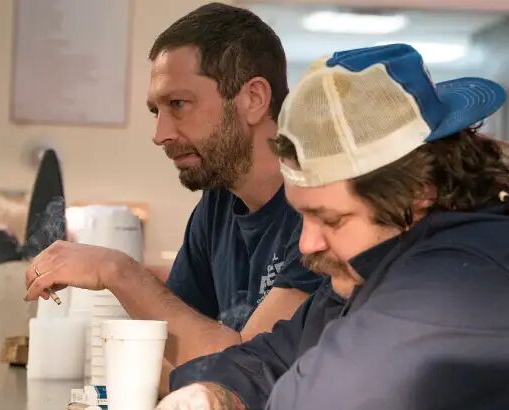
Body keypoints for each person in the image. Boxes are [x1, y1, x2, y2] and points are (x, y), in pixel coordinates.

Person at [147, 44, 509, 410]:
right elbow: (276, 355)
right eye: (302, 216)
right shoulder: (381, 255)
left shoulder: (473, 284)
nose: (306, 244)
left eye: (331, 219)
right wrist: (213, 392)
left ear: (418, 192)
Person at [24, 3, 322, 376]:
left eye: (178, 104)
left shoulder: (321, 217)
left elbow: (247, 370)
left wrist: (118, 271)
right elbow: (169, 356)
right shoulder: (217, 205)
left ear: (254, 99)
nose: (160, 134)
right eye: (156, 111)